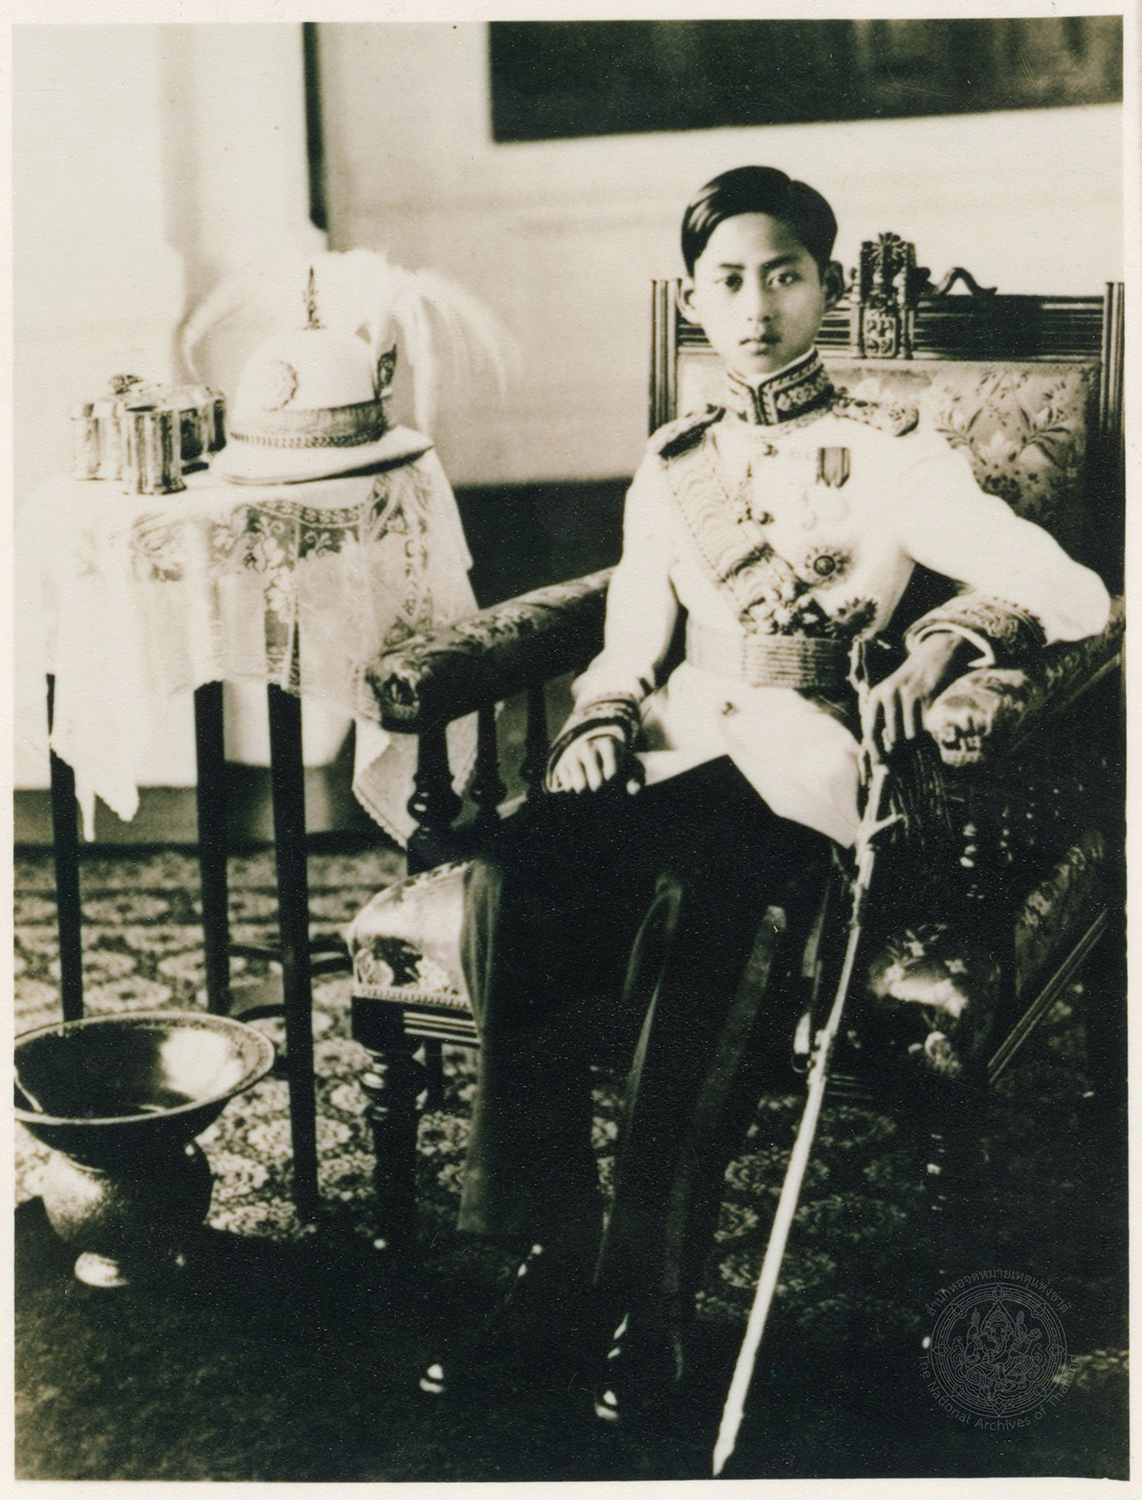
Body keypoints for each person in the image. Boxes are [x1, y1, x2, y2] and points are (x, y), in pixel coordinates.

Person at [420, 166, 1110, 1421]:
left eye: (781, 276)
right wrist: (601, 720)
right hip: (671, 745)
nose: (754, 305)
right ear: (693, 299)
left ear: (823, 291)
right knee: (515, 874)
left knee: (708, 906)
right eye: (727, 281)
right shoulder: (671, 461)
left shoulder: (894, 453)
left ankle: (651, 1296)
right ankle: (553, 1261)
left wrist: (943, 642)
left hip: (797, 765)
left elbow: (1070, 587)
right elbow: (631, 635)